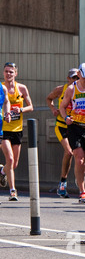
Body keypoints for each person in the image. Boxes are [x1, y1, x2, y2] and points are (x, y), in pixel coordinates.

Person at [59, 63, 85, 204]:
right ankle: (82, 192)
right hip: (75, 127)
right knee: (79, 159)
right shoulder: (71, 89)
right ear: (79, 74)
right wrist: (66, 118)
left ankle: (79, 175)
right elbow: (62, 107)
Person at [1, 62, 33, 201]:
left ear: (16, 73)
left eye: (11, 72)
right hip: (3, 129)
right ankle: (13, 190)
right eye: (6, 71)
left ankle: (2, 171)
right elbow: (5, 103)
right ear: (3, 73)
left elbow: (31, 106)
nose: (8, 74)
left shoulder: (22, 88)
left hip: (17, 129)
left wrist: (20, 110)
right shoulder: (1, 88)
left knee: (13, 165)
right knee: (10, 159)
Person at [46, 68, 79, 198]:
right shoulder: (61, 89)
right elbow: (48, 98)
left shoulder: (83, 90)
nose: (75, 80)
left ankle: (78, 177)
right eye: (73, 78)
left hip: (76, 126)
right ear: (68, 79)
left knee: (79, 153)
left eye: (77, 78)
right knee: (69, 151)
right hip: (61, 125)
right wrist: (53, 108)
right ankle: (63, 182)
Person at [0, 72, 11, 194]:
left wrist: (7, 113)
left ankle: (2, 171)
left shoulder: (2, 88)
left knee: (12, 160)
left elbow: (7, 102)